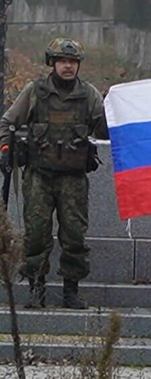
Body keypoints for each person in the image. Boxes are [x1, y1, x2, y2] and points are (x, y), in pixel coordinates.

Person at [0, 38, 108, 309]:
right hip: (39, 177)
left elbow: (104, 131)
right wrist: (4, 149)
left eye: (72, 62)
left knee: (74, 236)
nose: (68, 66)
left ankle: (71, 291)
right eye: (62, 61)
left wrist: (117, 111)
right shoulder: (35, 92)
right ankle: (37, 289)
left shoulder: (89, 94)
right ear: (53, 63)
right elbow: (8, 122)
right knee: (36, 235)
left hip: (73, 179)